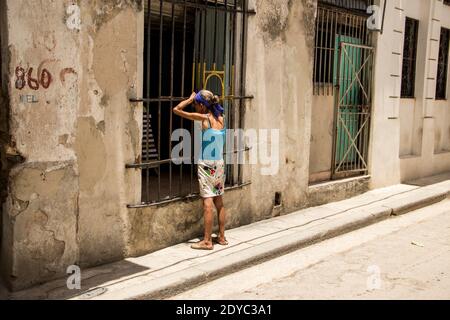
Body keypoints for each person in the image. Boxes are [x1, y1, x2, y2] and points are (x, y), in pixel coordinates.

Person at [173, 90, 228, 250]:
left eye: (197, 104)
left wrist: (189, 99)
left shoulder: (204, 118)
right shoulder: (221, 118)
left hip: (206, 165)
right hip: (219, 163)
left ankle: (207, 241)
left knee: (207, 202)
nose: (195, 107)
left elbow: (176, 110)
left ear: (202, 106)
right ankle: (222, 237)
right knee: (219, 200)